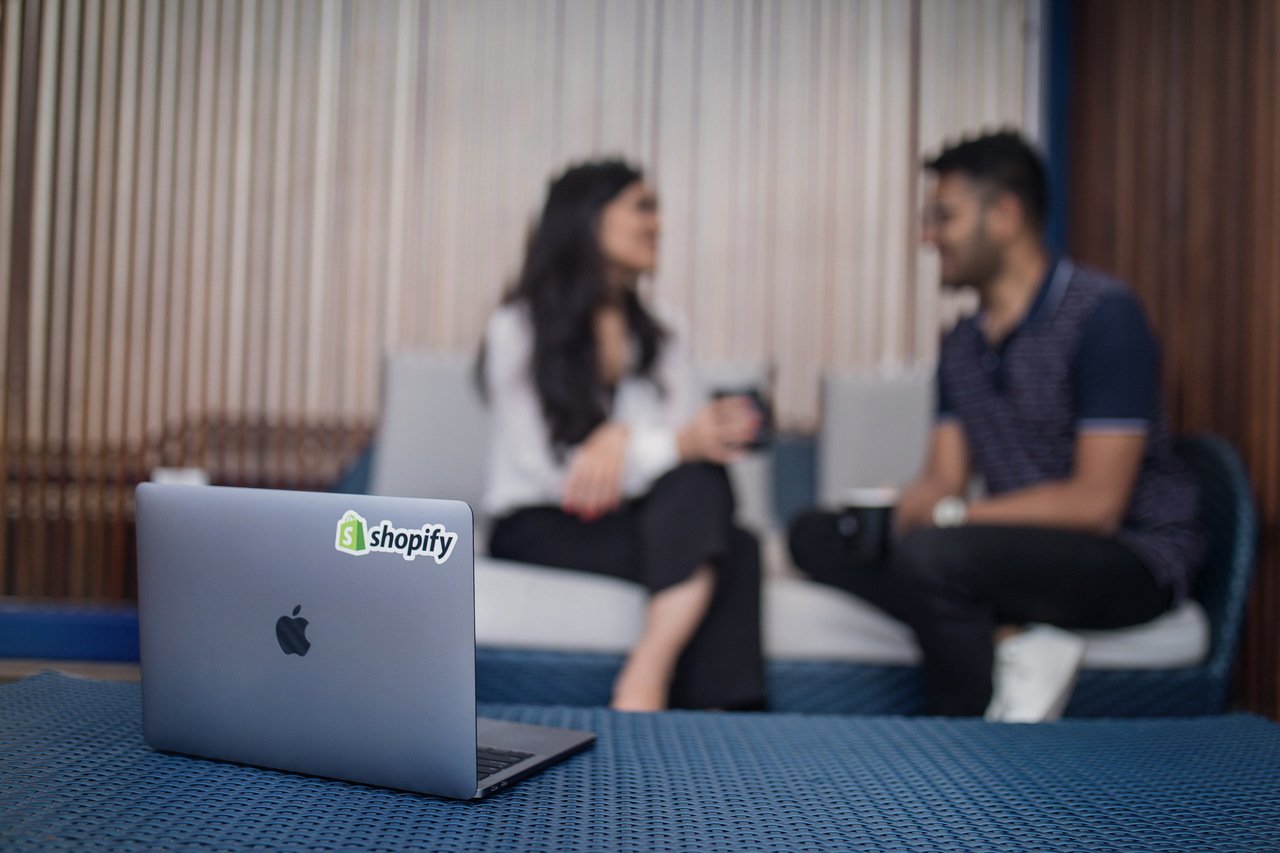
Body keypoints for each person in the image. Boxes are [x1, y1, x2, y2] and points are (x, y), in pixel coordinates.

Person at [789, 131, 1206, 720]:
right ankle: (1013, 641)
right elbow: (944, 479)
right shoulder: (961, 343)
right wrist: (889, 511)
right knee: (815, 533)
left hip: (1129, 557)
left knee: (934, 556)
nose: (928, 237)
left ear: (1005, 216)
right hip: (1018, 552)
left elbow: (1098, 503)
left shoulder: (1104, 314)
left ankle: (966, 738)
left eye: (943, 217)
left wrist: (949, 519)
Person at [479, 159, 767, 712]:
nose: (657, 224)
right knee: (732, 547)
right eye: (642, 207)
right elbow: (550, 473)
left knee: (705, 485)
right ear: (588, 220)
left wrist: (622, 435)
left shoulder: (665, 328)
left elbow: (691, 444)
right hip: (543, 521)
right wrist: (659, 442)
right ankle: (694, 714)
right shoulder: (517, 328)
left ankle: (652, 678)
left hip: (637, 514)